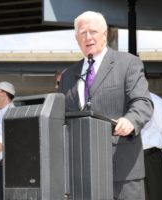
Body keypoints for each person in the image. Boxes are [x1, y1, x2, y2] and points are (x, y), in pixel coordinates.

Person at [58, 11, 153, 200]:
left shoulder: (128, 63)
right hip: (81, 171)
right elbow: (61, 116)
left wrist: (130, 120)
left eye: (93, 31)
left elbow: (143, 102)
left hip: (121, 171)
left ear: (105, 34)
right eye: (82, 33)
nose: (88, 37)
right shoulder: (68, 74)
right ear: (76, 39)